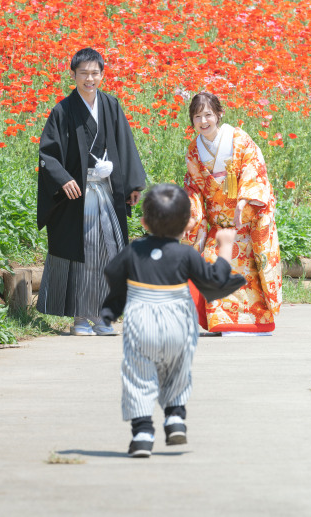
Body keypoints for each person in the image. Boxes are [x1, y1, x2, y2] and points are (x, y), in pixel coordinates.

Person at [101, 184, 245, 457]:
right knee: (178, 371)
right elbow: (215, 280)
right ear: (187, 224)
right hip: (179, 323)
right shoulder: (186, 254)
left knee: (139, 375)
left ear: (143, 222)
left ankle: (142, 434)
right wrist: (225, 247)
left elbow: (112, 272)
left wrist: (112, 308)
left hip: (141, 322)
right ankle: (175, 418)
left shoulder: (135, 250)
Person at [36, 47, 146, 336]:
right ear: (72, 75)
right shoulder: (62, 110)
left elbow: (126, 145)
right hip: (76, 196)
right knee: (82, 252)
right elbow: (48, 153)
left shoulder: (111, 106)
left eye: (94, 73)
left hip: (106, 191)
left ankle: (102, 316)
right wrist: (63, 179)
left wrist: (132, 185)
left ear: (102, 74)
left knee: (108, 251)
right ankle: (80, 318)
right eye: (83, 73)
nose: (89, 78)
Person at [183, 92, 282, 335]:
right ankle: (223, 323)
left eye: (208, 115)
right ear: (192, 120)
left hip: (245, 224)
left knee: (250, 272)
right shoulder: (195, 150)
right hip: (219, 225)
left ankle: (256, 324)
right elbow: (193, 187)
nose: (203, 121)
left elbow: (253, 168)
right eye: (198, 116)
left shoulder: (239, 139)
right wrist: (191, 213)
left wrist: (244, 200)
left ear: (219, 114)